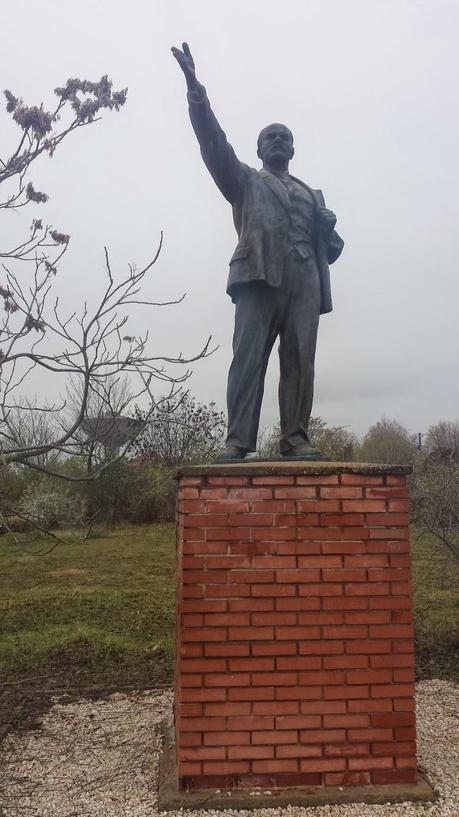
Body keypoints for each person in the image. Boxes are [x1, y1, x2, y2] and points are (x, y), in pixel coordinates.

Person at [172, 43, 344, 461]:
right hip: (257, 277)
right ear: (259, 149)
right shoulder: (246, 181)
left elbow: (333, 251)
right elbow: (214, 146)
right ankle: (238, 441)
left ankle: (296, 438)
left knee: (301, 360)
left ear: (293, 149)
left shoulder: (312, 192)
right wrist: (197, 94)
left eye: (286, 137)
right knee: (248, 359)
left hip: (305, 281)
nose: (279, 141)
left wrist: (329, 231)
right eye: (271, 137)